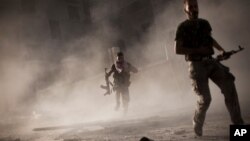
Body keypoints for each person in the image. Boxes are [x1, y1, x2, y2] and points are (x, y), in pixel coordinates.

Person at [174, 0, 244, 136]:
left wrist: (222, 50)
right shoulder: (182, 27)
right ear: (185, 10)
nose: (194, 9)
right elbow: (177, 49)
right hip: (196, 66)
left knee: (229, 86)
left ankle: (239, 130)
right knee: (205, 99)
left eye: (196, 6)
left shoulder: (204, 23)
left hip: (211, 62)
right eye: (191, 7)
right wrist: (198, 50)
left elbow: (210, 40)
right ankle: (197, 121)